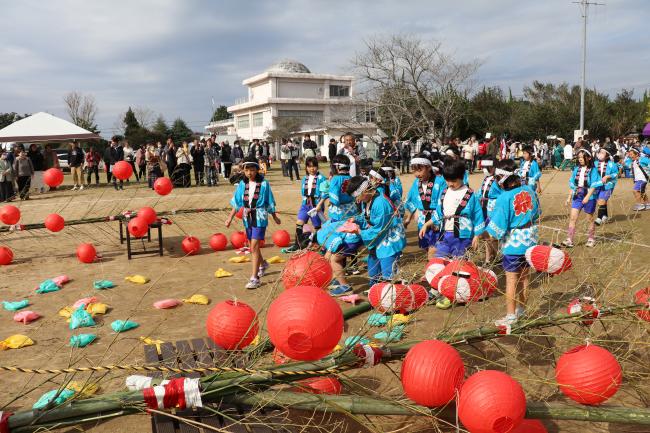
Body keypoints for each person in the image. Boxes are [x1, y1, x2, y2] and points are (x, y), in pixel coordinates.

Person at [487, 159, 540, 326]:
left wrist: (487, 235)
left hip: (514, 244)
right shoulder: (529, 190)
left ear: (501, 179)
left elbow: (496, 228)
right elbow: (537, 212)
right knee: (525, 278)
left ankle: (511, 316)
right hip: (530, 240)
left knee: (511, 280)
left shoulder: (504, 198)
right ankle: (522, 311)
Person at [226, 157, 281, 290]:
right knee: (252, 245)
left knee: (254, 246)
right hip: (247, 217)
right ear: (243, 171)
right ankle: (263, 264)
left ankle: (254, 278)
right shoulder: (241, 185)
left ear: (257, 169)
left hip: (260, 216)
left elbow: (269, 201)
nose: (250, 173)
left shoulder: (264, 184)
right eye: (247, 170)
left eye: (252, 169)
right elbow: (237, 203)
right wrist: (229, 218)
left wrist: (274, 216)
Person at [346, 175, 406, 288]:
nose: (357, 200)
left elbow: (380, 229)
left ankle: (394, 295)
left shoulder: (381, 204)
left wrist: (360, 232)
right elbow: (368, 217)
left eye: (357, 196)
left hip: (388, 242)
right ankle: (376, 291)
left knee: (389, 273)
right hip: (377, 240)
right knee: (373, 271)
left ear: (365, 190)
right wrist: (357, 219)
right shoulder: (368, 199)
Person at [404, 154, 447, 259]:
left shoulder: (440, 181)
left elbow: (443, 202)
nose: (417, 174)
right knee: (426, 246)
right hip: (422, 219)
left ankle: (433, 267)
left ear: (428, 167)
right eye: (414, 171)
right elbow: (410, 199)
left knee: (434, 249)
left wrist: (436, 220)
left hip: (436, 220)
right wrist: (411, 215)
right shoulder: (416, 183)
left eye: (419, 170)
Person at [282, 157, 328, 253]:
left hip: (316, 206)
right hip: (305, 205)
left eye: (314, 166)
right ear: (306, 167)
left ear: (317, 167)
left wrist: (319, 205)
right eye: (309, 166)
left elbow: (325, 193)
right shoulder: (304, 178)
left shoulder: (322, 178)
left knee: (317, 227)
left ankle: (318, 246)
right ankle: (297, 245)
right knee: (299, 223)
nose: (312, 169)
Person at [562, 149, 602, 248]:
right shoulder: (576, 169)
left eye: (582, 157)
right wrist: (569, 197)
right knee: (572, 218)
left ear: (588, 158)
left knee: (589, 218)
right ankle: (570, 239)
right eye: (579, 157)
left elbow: (594, 185)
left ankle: (591, 239)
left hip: (589, 196)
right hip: (578, 195)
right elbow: (573, 183)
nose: (580, 159)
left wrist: (588, 197)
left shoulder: (593, 170)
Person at [475, 158, 501, 263]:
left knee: (492, 234)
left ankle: (493, 256)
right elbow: (480, 192)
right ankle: (490, 257)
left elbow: (501, 194)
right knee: (486, 234)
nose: (485, 170)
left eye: (488, 167)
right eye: (484, 167)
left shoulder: (498, 180)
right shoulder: (486, 179)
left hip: (493, 209)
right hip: (484, 208)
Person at [594, 148, 619, 225]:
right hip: (597, 185)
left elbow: (616, 173)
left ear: (607, 155)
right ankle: (605, 216)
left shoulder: (612, 164)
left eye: (602, 153)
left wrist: (608, 176)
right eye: (599, 152)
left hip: (608, 185)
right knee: (601, 201)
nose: (600, 154)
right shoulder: (594, 163)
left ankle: (598, 218)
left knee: (602, 200)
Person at [628, 147, 650, 211]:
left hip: (642, 179)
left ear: (637, 154)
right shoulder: (634, 162)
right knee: (642, 192)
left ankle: (640, 204)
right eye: (630, 154)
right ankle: (648, 204)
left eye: (631, 154)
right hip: (639, 179)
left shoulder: (642, 159)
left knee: (635, 191)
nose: (630, 156)